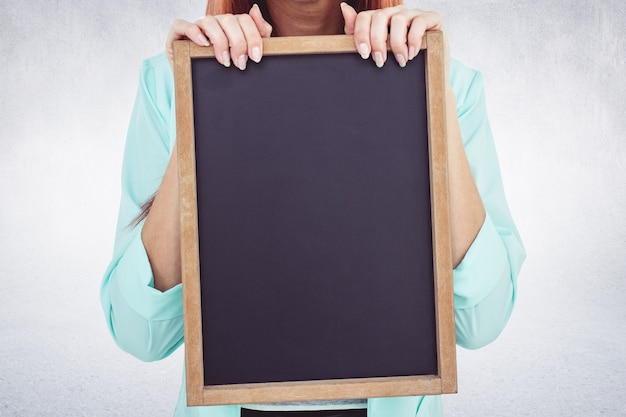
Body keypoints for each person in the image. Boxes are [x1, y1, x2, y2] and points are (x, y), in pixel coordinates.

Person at [100, 1, 526, 416]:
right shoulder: (170, 81)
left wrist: (430, 82)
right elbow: (144, 336)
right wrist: (197, 87)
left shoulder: (446, 78)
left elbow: (480, 322)